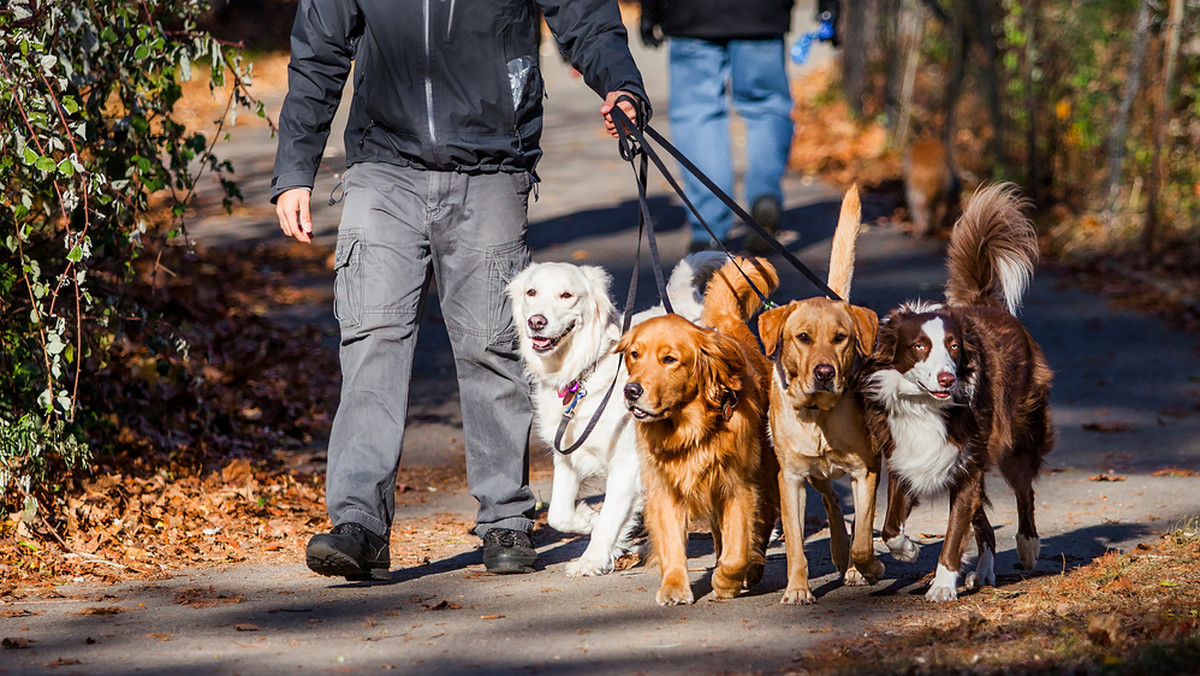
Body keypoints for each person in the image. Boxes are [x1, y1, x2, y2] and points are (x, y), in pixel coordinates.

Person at [272, 0, 647, 579]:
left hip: (492, 167)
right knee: (372, 342)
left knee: (493, 346)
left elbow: (583, 14)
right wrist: (294, 169)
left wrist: (621, 86)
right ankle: (358, 524)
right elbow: (319, 50)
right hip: (382, 169)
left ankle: (505, 518)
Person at [639, 0, 838, 254]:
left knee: (696, 113)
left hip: (689, 14)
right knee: (766, 106)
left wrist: (651, 9)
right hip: (761, 14)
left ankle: (708, 228)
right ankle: (765, 194)